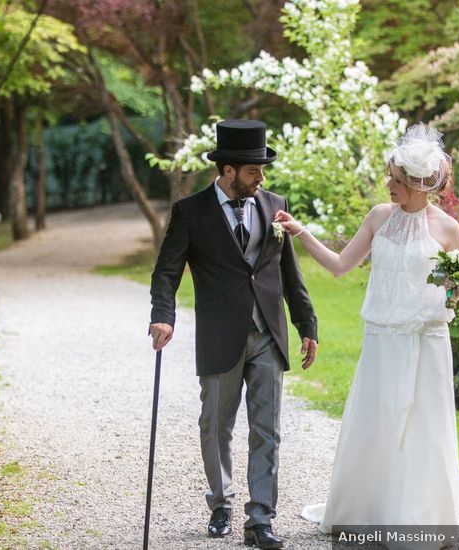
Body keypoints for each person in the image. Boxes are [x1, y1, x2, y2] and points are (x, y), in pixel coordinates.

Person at [276, 123, 459, 548]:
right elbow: (341, 265)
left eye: (396, 181)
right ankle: (371, 510)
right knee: (376, 423)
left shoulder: (448, 229)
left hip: (427, 341)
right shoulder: (379, 217)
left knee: (423, 428)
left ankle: (419, 519)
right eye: (390, 179)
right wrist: (302, 232)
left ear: (418, 183)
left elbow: (452, 292)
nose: (389, 186)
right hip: (382, 339)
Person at [149, 119, 319, 549]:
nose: (261, 178)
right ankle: (221, 503)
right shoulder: (191, 212)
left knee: (268, 429)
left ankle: (260, 518)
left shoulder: (274, 204)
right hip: (219, 334)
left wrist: (307, 325)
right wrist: (163, 316)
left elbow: (289, 273)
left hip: (268, 334)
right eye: (252, 171)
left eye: (262, 170)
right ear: (227, 171)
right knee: (215, 425)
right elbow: (167, 271)